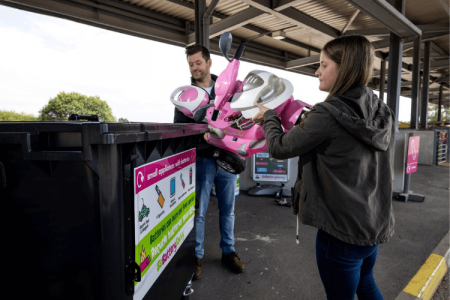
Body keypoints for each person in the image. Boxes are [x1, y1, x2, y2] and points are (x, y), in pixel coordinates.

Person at [252, 35, 395, 300]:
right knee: (365, 285)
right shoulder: (381, 110)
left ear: (345, 68)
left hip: (340, 230)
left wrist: (269, 116)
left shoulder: (327, 114)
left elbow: (280, 147)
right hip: (372, 223)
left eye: (323, 64)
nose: (317, 71)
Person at [174, 44, 245, 280]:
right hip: (203, 160)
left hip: (229, 159)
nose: (194, 68)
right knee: (199, 212)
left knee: (228, 210)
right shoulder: (185, 96)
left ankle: (229, 251)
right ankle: (196, 256)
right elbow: (179, 132)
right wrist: (204, 137)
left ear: (208, 62)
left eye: (198, 63)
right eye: (191, 64)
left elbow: (240, 119)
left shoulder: (229, 89)